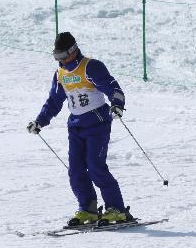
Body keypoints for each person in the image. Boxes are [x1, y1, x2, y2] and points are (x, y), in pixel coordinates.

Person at [27, 32, 132, 226]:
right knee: (75, 170)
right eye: (56, 56)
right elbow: (54, 101)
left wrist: (117, 104)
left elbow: (113, 88)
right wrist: (40, 121)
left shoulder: (91, 67)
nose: (60, 60)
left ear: (73, 50)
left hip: (97, 124)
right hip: (75, 126)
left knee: (95, 166)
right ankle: (88, 208)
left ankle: (116, 208)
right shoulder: (60, 74)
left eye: (62, 55)